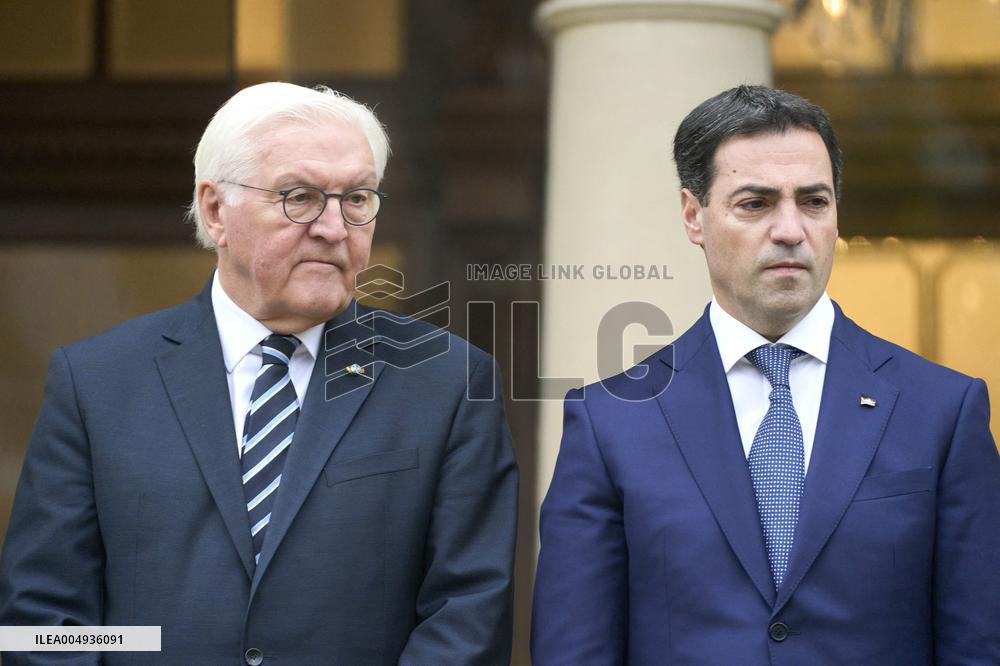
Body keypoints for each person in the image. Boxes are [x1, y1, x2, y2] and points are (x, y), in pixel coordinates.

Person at [0, 82, 518, 665]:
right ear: (217, 210)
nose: (334, 226)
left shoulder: (446, 380)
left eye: (357, 198)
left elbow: (466, 613)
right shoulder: (96, 382)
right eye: (299, 196)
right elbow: (45, 623)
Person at [531, 85, 1000, 664]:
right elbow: (575, 650)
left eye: (813, 201)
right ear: (693, 216)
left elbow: (978, 643)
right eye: (755, 203)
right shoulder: (612, 420)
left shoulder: (943, 410)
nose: (789, 230)